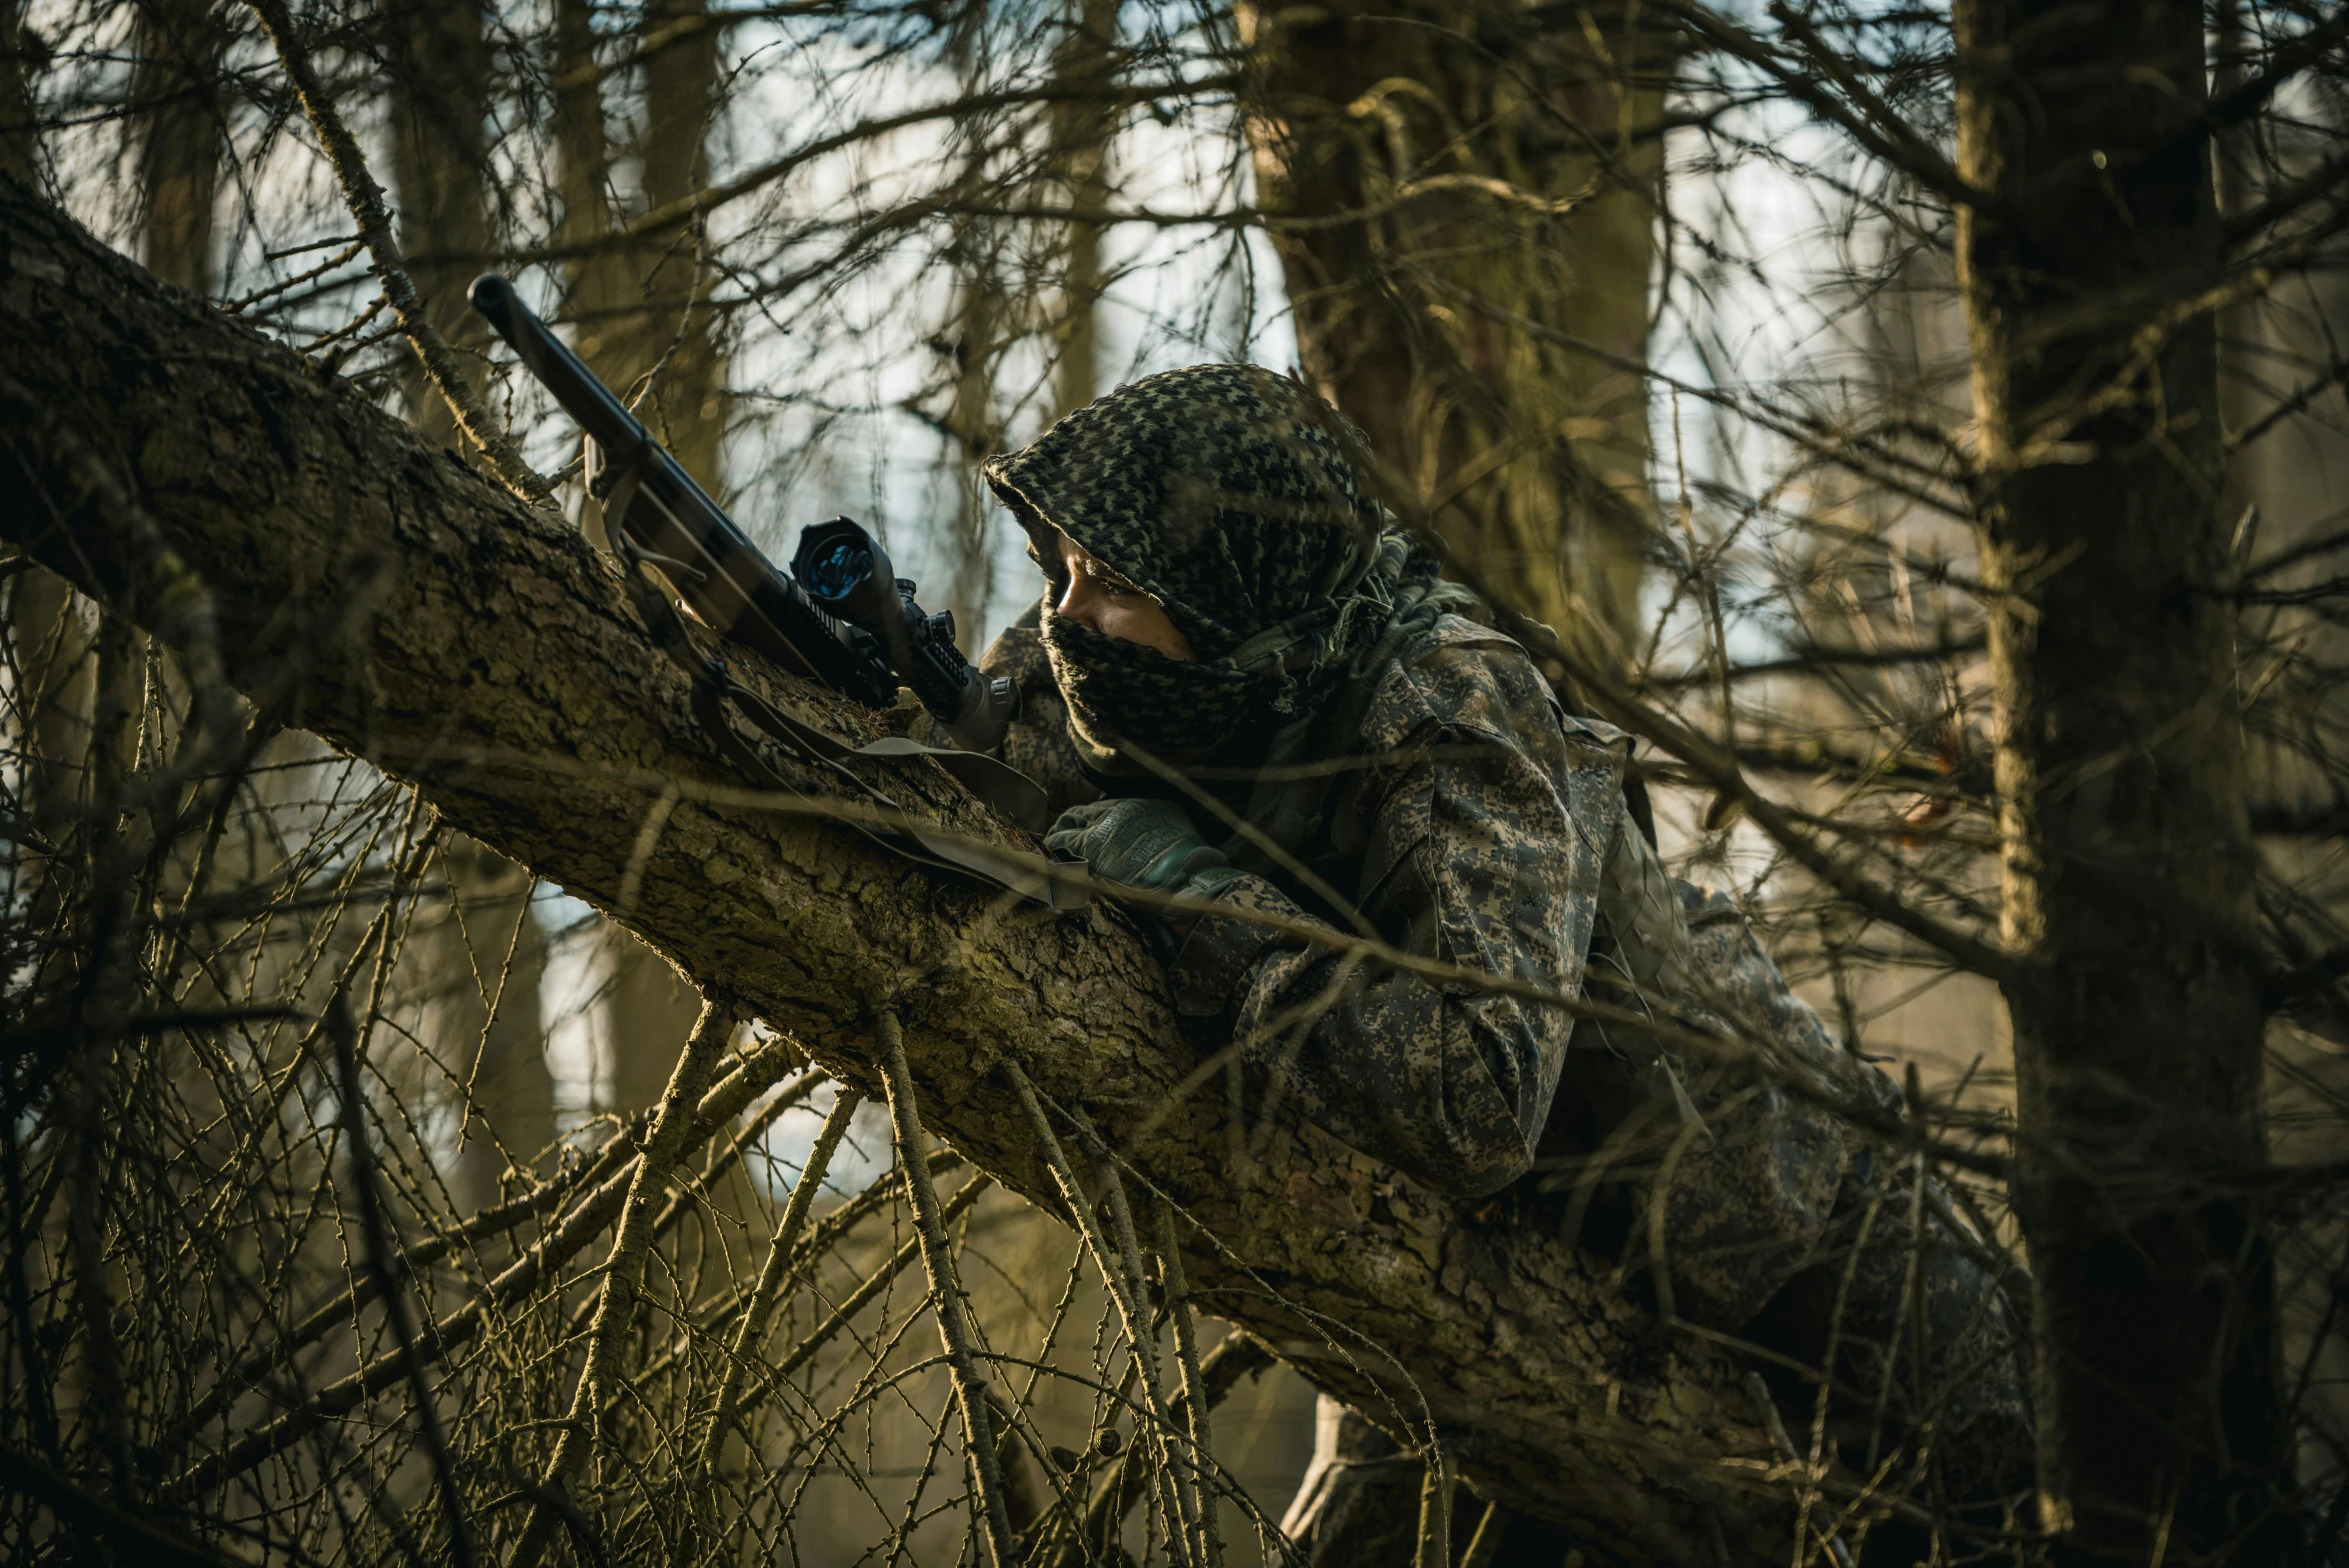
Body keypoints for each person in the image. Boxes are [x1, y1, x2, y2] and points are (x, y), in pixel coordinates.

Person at [967, 364, 2030, 1560]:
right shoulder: (1168, 675)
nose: (1069, 613)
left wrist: (1203, 897)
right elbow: (1003, 720)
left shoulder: (1446, 693)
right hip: (1508, 1274)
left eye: (1110, 579)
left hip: (1810, 1243)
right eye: (1059, 570)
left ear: (1219, 583)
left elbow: (1474, 1095)